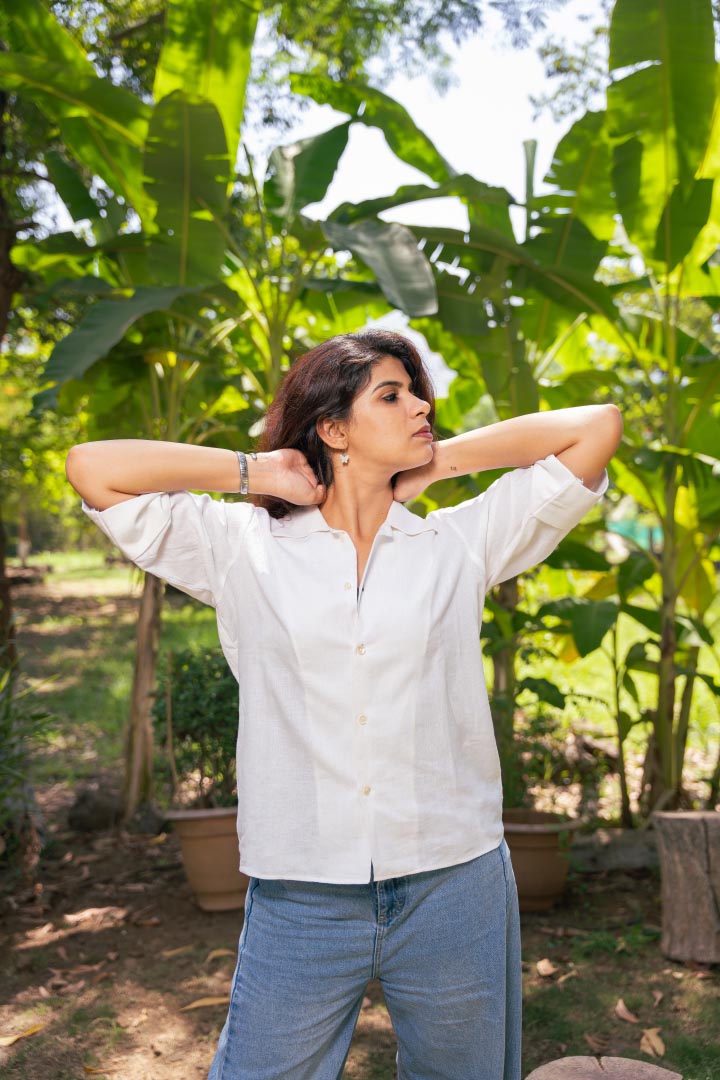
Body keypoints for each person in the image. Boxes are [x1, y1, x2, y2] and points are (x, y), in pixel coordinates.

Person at [66, 329, 622, 1080]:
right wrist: (256, 469)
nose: (420, 404)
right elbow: (93, 468)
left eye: (415, 391)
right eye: (391, 396)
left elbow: (595, 427)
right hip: (302, 888)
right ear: (332, 430)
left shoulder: (456, 545)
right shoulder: (243, 547)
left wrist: (433, 463)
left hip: (453, 882)